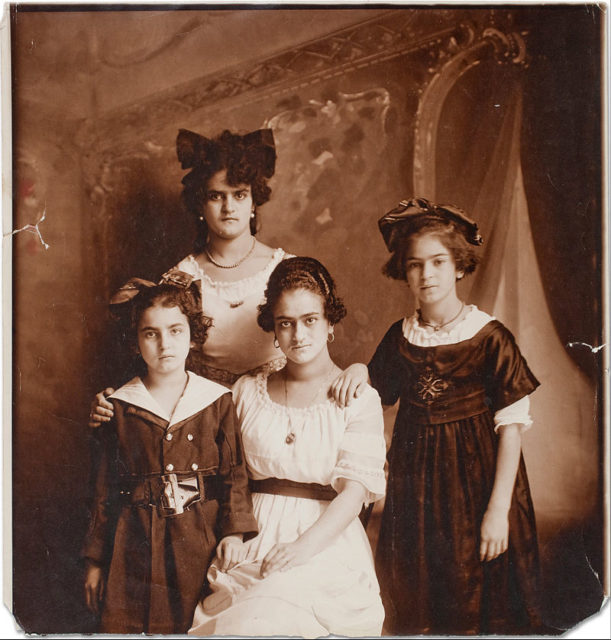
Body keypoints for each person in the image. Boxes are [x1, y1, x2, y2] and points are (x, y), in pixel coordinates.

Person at [331, 198, 544, 635]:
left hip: (479, 484)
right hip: (416, 487)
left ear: (460, 266)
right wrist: (357, 368)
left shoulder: (490, 338)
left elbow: (511, 432)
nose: (426, 275)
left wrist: (498, 510)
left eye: (438, 262)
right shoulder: (400, 336)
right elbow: (374, 391)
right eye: (415, 265)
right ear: (403, 272)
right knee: (415, 590)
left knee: (476, 591)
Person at [188, 257, 387, 638]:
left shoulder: (358, 397)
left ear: (330, 323)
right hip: (253, 531)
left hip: (324, 538)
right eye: (286, 323)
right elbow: (229, 474)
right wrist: (232, 532)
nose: (299, 335)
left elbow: (355, 493)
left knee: (281, 609)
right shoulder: (247, 391)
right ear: (274, 330)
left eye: (310, 320)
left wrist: (301, 548)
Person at [82, 273, 258, 634]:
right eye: (151, 333)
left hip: (198, 539)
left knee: (194, 624)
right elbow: (104, 491)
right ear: (135, 342)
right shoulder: (120, 406)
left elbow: (235, 475)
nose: (165, 344)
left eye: (175, 330)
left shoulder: (216, 401)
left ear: (192, 335)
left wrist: (233, 534)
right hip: (132, 543)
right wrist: (95, 561)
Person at [89, 127, 292, 427]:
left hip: (279, 413)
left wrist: (355, 373)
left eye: (239, 194)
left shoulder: (287, 270)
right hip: (206, 422)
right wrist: (114, 401)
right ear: (199, 205)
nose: (228, 207)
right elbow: (158, 362)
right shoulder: (178, 280)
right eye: (215, 196)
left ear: (253, 201)